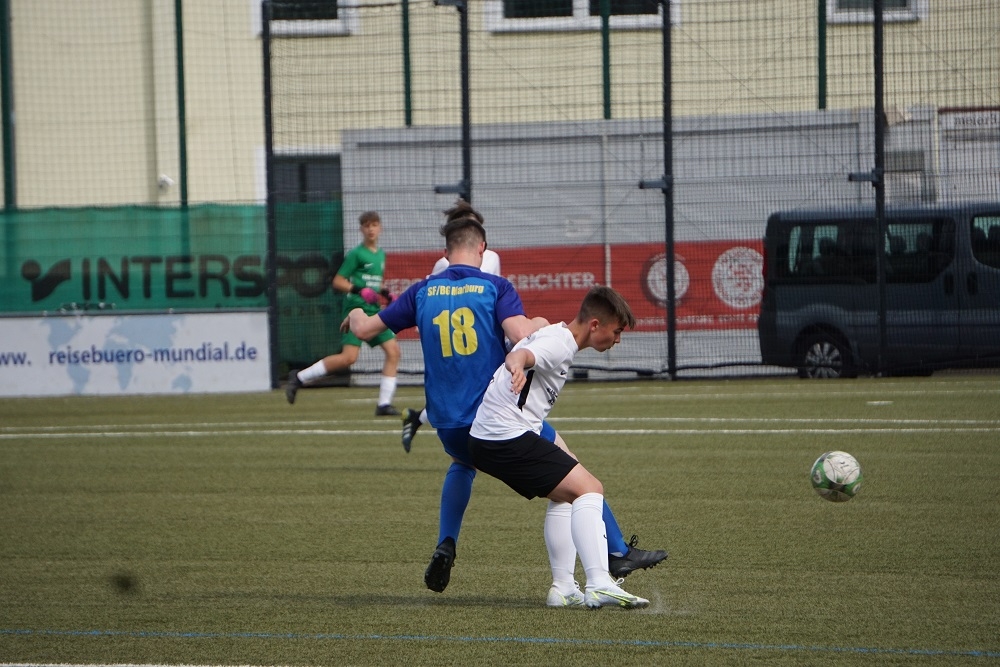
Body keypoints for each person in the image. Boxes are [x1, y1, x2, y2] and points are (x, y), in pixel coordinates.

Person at [344, 201, 664, 594]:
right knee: (575, 472)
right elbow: (520, 334)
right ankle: (614, 553)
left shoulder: (422, 291)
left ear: (445, 252)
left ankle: (447, 541)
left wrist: (355, 312)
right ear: (482, 248)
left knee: (462, 463)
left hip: (446, 420)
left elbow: (365, 329)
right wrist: (542, 325)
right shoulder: (494, 287)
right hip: (496, 416)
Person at [468, 285, 654, 609]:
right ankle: (599, 583)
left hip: (492, 436)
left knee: (567, 491)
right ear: (595, 325)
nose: (618, 340)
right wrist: (515, 364)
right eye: (617, 331)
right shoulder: (559, 343)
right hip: (503, 436)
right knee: (590, 489)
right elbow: (520, 356)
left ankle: (564, 589)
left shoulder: (557, 335)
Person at [285, 211, 401, 416]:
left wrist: (385, 293)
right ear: (361, 229)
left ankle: (383, 404)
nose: (371, 229)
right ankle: (299, 377)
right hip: (356, 310)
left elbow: (374, 282)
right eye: (366, 225)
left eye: (374, 225)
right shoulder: (356, 254)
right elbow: (338, 281)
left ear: (380, 228)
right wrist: (358, 290)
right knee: (349, 358)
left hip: (373, 310)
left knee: (393, 352)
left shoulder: (380, 255)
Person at [400, 246, 502, 452]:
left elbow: (496, 296)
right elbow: (432, 298)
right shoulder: (442, 264)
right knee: (463, 393)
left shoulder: (492, 258)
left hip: (480, 336)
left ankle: (417, 418)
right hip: (455, 339)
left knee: (481, 390)